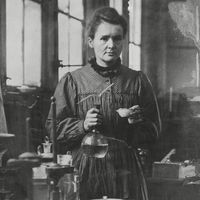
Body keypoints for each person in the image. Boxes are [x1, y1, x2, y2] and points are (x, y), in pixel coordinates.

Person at [46, 6, 161, 200]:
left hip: (125, 171)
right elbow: (52, 129)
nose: (111, 44)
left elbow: (154, 131)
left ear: (123, 41)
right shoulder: (72, 81)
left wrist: (136, 124)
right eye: (104, 38)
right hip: (84, 171)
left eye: (117, 38)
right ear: (91, 41)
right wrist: (83, 125)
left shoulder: (138, 81)